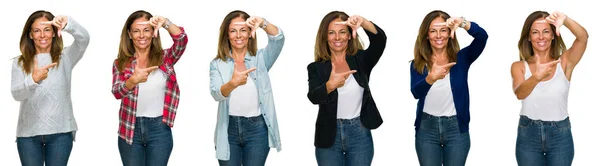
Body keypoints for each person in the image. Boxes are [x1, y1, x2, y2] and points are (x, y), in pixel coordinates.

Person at [307, 11, 386, 166]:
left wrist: (362, 22)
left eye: (342, 32)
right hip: (329, 135)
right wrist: (330, 85)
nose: (337, 38)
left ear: (350, 35)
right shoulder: (316, 67)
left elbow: (380, 41)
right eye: (331, 33)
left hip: (359, 133)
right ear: (325, 37)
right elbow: (313, 97)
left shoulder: (361, 60)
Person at [11, 10, 90, 166]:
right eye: (37, 30)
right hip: (28, 135)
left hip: (61, 133)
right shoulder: (20, 62)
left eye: (47, 29)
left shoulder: (65, 57)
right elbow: (16, 94)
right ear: (30, 34)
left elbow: (84, 39)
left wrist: (68, 23)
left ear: (54, 32)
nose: (42, 35)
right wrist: (33, 79)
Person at [410, 10, 488, 166]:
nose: (438, 35)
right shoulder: (418, 63)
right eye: (433, 31)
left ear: (450, 32)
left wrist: (463, 23)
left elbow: (482, 37)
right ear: (426, 35)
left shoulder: (462, 58)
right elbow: (416, 92)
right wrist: (430, 78)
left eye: (443, 30)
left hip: (456, 128)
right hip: (427, 128)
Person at [111, 10, 188, 166]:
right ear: (129, 34)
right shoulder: (121, 63)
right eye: (136, 31)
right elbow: (117, 92)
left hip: (159, 128)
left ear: (154, 32)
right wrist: (132, 81)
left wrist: (165, 22)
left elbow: (181, 40)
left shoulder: (165, 58)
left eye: (146, 30)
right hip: (130, 128)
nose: (142, 35)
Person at [511, 11, 587, 166]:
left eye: (546, 31)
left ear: (553, 35)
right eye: (535, 32)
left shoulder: (565, 62)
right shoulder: (518, 66)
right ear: (528, 37)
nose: (541, 37)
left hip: (560, 133)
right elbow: (520, 93)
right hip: (528, 133)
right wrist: (536, 77)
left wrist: (565, 20)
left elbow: (583, 38)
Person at [209, 10, 284, 166]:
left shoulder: (261, 58)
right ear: (227, 35)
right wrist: (233, 83)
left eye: (243, 30)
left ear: (251, 33)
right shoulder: (217, 64)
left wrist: (262, 22)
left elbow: (278, 39)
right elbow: (216, 93)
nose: (238, 35)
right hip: (228, 129)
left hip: (257, 130)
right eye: (233, 31)